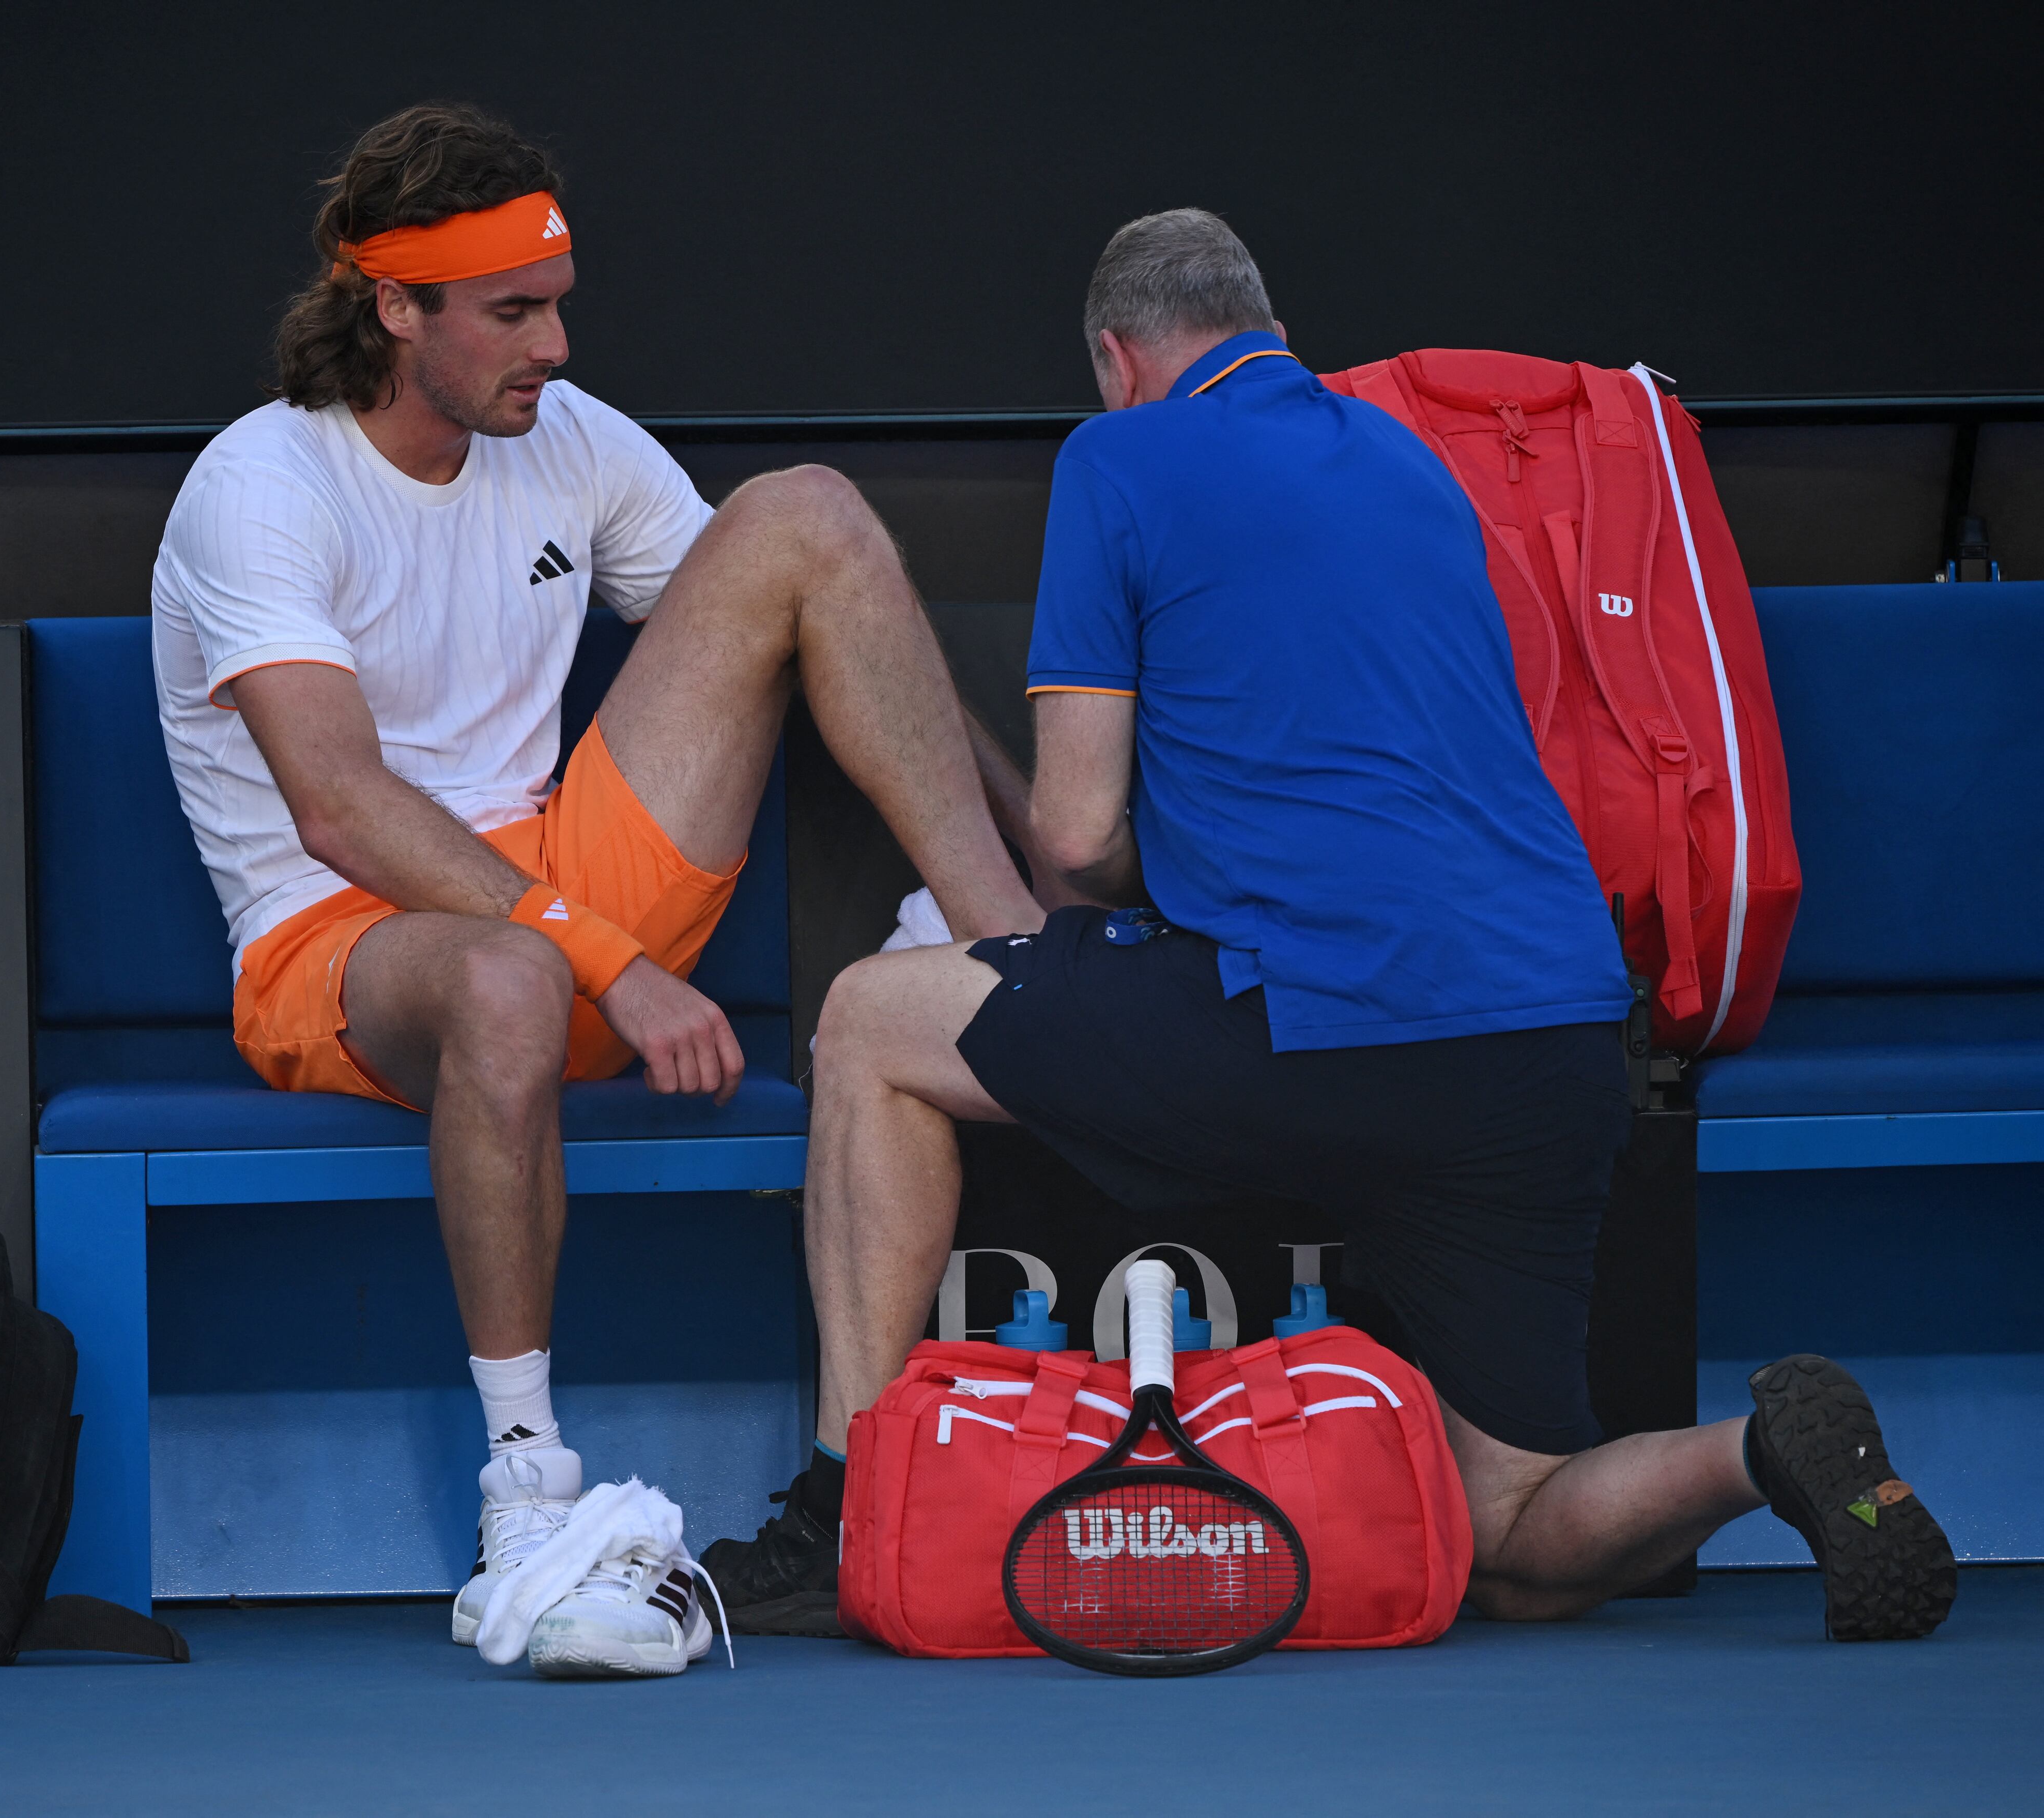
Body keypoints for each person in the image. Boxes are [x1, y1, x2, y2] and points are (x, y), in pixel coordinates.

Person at [702, 209, 1957, 1645]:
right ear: (1273, 333)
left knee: (871, 1020)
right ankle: (1766, 1453)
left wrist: (1106, 896)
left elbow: (1073, 831)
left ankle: (844, 1506)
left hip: (1320, 1021)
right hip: (1550, 1037)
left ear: (1119, 358)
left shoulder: (1120, 455)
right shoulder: (1416, 467)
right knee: (1520, 1540)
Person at [149, 102, 1044, 1677]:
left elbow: (827, 619)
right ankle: (528, 1488)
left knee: (809, 519)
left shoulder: (568, 438)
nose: (555, 346)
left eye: (558, 303)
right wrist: (603, 959)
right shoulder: (260, 486)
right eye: (512, 312)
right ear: (396, 306)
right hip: (342, 947)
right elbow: (343, 807)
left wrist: (1054, 835)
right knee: (509, 977)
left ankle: (1032, 950)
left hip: (566, 888)